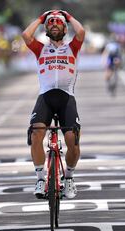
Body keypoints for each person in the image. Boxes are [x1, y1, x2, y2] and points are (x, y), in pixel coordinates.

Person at [22, 10, 85, 199]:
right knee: (35, 134)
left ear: (65, 28)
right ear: (46, 28)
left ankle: (69, 178)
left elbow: (81, 32)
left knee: (72, 139)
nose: (54, 24)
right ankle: (41, 179)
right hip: (45, 98)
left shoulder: (72, 48)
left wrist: (68, 16)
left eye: (58, 22)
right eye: (50, 23)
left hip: (66, 98)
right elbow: (26, 35)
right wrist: (41, 17)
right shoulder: (40, 49)